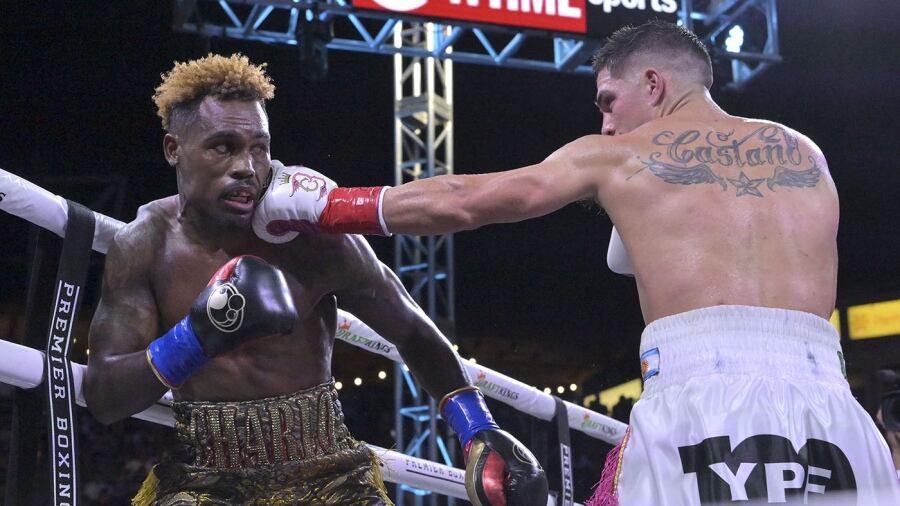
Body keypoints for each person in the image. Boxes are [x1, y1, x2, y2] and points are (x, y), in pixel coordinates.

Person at [252, 21, 900, 505]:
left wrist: (330, 207)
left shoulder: (616, 157)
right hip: (834, 411)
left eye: (607, 101)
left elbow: (471, 200)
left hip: (705, 404)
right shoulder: (802, 153)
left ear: (653, 83)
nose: (608, 124)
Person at [82, 53, 548, 506]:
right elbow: (104, 396)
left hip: (329, 474)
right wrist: (195, 339)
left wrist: (477, 427)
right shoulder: (145, 244)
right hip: (205, 483)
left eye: (259, 148)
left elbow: (410, 330)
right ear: (173, 149)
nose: (247, 165)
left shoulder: (309, 238)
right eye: (223, 146)